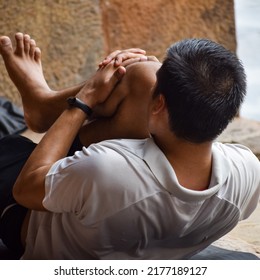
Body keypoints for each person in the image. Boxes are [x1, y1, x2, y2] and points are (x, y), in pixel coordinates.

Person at [0, 33, 259, 260]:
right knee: (143, 75)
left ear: (158, 105)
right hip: (104, 207)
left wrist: (85, 98)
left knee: (11, 149)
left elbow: (26, 189)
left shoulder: (106, 169)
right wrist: (149, 75)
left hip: (25, 214)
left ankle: (47, 108)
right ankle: (44, 104)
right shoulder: (246, 169)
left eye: (158, 92)